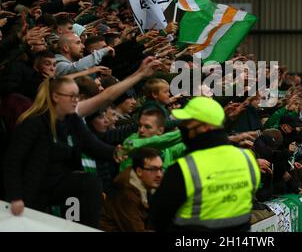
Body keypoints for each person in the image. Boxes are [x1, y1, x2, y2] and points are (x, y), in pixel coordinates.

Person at [3, 77, 126, 228]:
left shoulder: (71, 120)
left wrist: (116, 152)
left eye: (77, 96)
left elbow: (92, 145)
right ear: (56, 97)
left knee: (89, 183)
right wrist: (15, 197)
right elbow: (12, 162)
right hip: (32, 189)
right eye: (72, 96)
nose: (76, 100)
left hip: (57, 184)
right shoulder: (33, 123)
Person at [148, 97, 260, 231]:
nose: (182, 126)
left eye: (187, 122)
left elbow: (159, 218)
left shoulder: (184, 168)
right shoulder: (248, 159)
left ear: (204, 127)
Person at [99, 147, 164, 232]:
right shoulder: (126, 193)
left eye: (160, 169)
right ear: (139, 171)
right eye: (153, 169)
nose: (159, 174)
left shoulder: (150, 187)